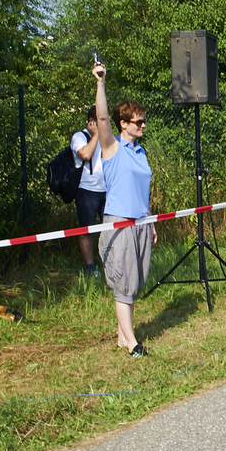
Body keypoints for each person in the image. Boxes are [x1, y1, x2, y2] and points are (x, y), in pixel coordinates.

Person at [93, 61, 156, 359]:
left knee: (135, 280)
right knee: (122, 281)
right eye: (138, 121)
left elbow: (144, 191)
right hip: (119, 223)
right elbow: (102, 117)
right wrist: (101, 82)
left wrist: (152, 221)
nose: (142, 125)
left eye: (143, 121)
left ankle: (122, 336)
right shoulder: (112, 148)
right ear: (124, 123)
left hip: (142, 221)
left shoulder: (141, 153)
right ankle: (133, 344)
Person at [73, 106, 105, 278]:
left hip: (107, 189)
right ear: (92, 121)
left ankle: (111, 262)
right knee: (86, 229)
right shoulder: (79, 137)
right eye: (102, 120)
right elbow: (85, 154)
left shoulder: (106, 137)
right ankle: (90, 267)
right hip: (87, 191)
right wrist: (95, 135)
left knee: (112, 226)